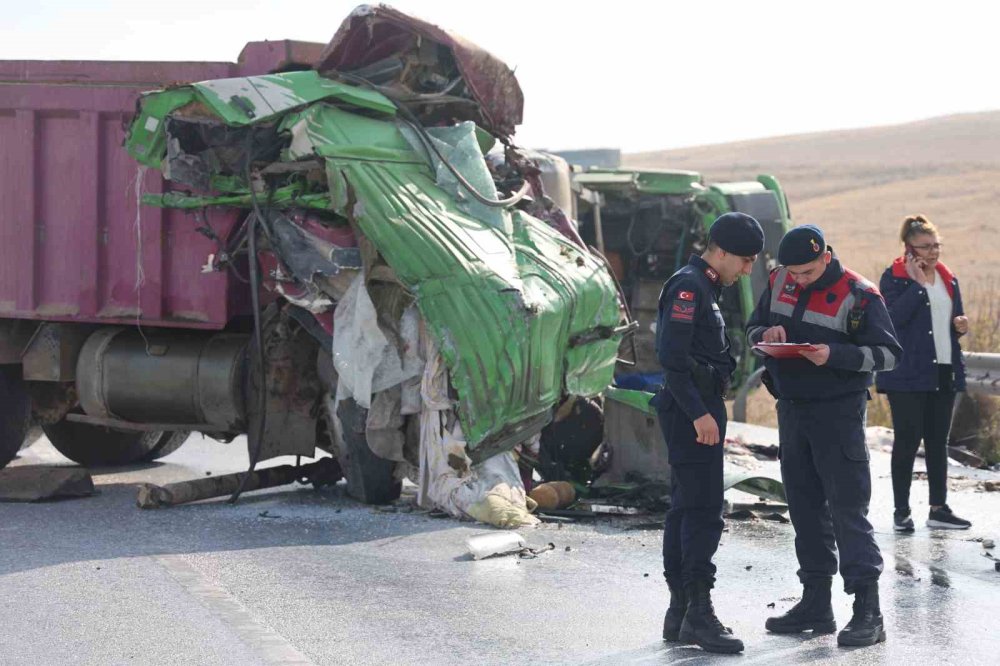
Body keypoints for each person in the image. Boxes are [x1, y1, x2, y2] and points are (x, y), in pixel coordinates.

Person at [746, 225, 901, 647]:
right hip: (792, 410)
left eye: (808, 273)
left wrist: (834, 354)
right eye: (793, 272)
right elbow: (753, 327)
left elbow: (888, 355)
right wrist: (766, 336)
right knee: (804, 508)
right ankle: (816, 603)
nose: (799, 280)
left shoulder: (860, 294)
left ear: (826, 257)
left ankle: (868, 611)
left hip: (838, 413)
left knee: (847, 509)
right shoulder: (779, 279)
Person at [652, 212, 762, 654]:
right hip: (691, 412)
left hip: (695, 409)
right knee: (702, 511)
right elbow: (672, 358)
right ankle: (698, 613)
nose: (748, 269)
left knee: (685, 508)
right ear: (721, 251)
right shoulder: (689, 286)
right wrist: (699, 413)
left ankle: (680, 611)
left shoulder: (705, 286)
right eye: (746, 260)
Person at [876, 215, 971, 531]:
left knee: (937, 441)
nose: (933, 253)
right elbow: (892, 322)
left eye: (936, 246)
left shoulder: (947, 277)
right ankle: (901, 511)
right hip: (907, 374)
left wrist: (958, 326)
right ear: (909, 248)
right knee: (907, 440)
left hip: (943, 370)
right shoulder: (893, 279)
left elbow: (944, 323)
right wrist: (918, 287)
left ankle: (939, 509)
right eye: (925, 247)